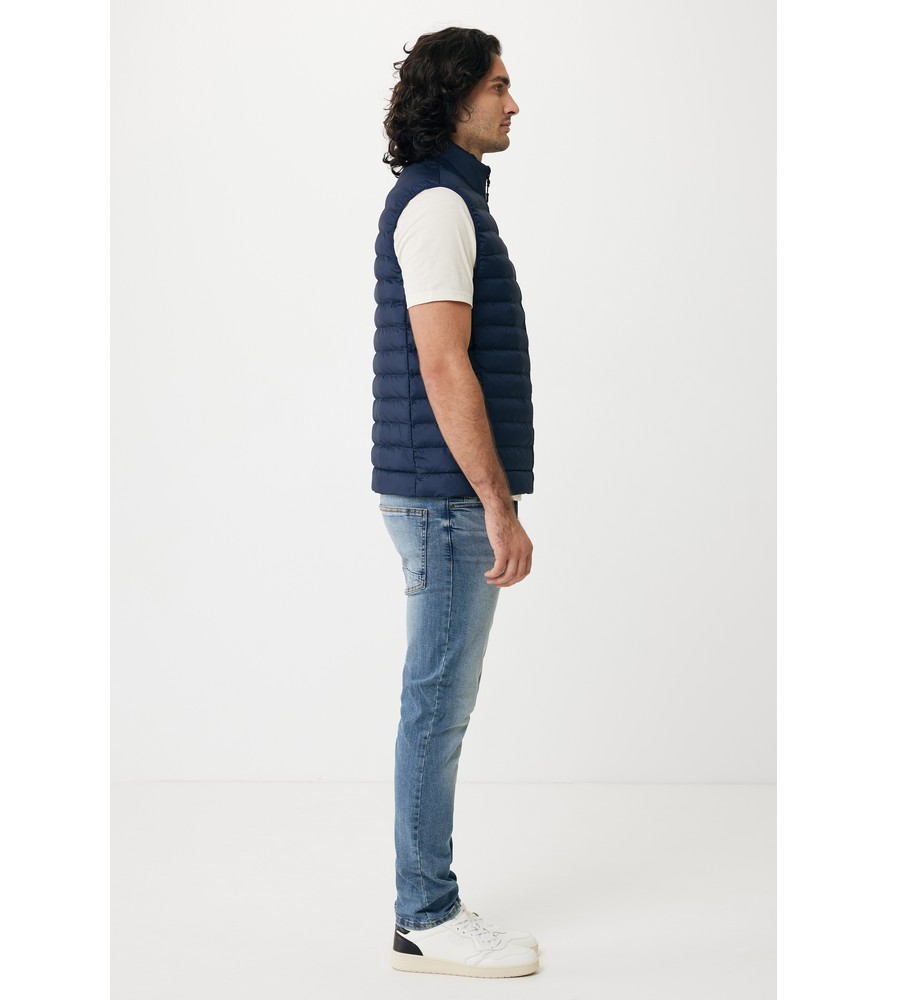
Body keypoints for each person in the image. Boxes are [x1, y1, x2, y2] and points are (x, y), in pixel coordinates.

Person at [370, 27, 540, 979]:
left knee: (437, 704)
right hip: (444, 500)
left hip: (441, 496)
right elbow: (443, 364)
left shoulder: (452, 198)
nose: (513, 104)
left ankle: (423, 904)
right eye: (498, 86)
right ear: (455, 96)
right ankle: (426, 914)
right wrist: (496, 505)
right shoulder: (438, 205)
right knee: (435, 707)